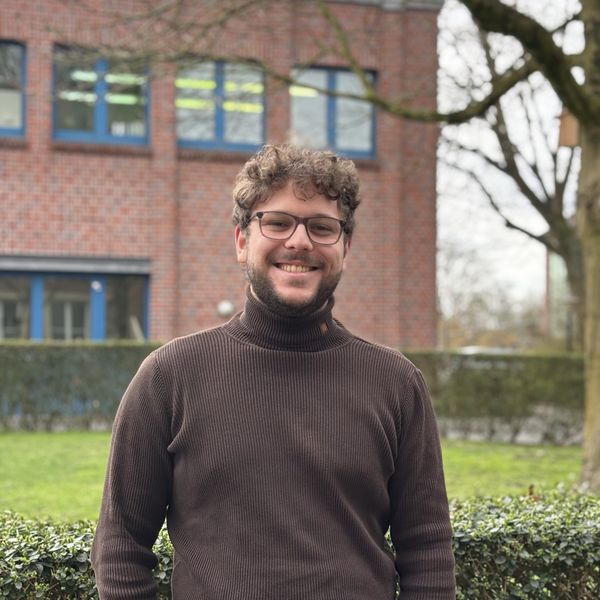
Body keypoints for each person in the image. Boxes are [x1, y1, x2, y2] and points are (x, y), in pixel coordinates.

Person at [91, 144, 456, 600]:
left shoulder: (396, 384)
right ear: (242, 241)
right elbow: (120, 545)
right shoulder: (170, 377)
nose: (299, 241)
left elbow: (428, 553)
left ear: (345, 247)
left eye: (322, 227)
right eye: (278, 222)